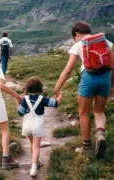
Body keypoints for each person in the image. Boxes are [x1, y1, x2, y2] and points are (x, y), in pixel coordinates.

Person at [54, 21, 114, 159]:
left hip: (89, 79)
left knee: (84, 112)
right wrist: (112, 86)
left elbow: (68, 70)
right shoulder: (105, 42)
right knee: (99, 111)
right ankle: (100, 134)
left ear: (76, 34)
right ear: (89, 31)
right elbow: (113, 66)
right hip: (105, 78)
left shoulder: (78, 45)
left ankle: (86, 146)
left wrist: (57, 87)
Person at [17, 77, 62, 177]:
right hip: (37, 126)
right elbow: (55, 103)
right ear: (40, 88)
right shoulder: (43, 99)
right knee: (36, 146)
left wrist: (18, 102)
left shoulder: (25, 99)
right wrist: (60, 96)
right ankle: (33, 168)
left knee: (32, 144)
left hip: (27, 126)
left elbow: (20, 112)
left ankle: (36, 161)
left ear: (27, 88)